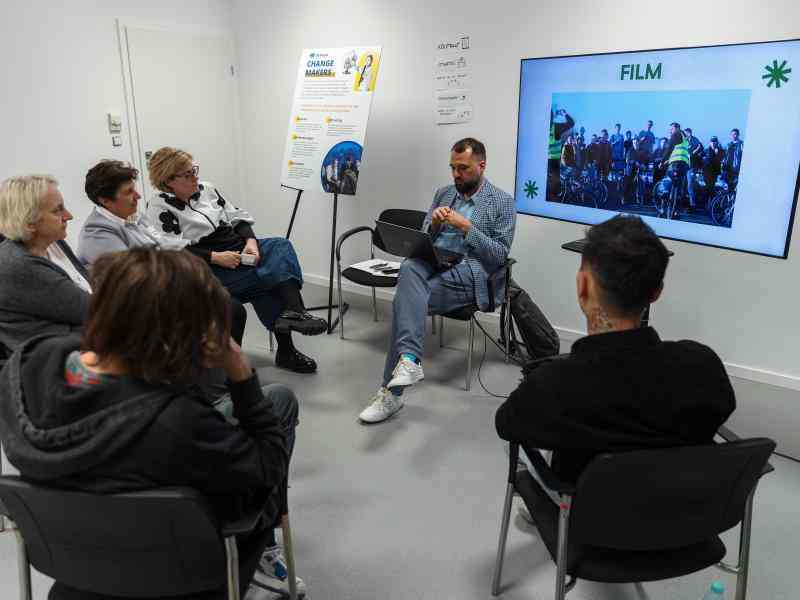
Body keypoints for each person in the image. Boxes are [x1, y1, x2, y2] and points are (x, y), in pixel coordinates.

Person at [0, 248, 306, 599]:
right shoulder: (179, 422)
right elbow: (267, 470)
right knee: (277, 404)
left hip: (78, 571)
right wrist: (241, 376)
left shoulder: (26, 372)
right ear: (176, 333)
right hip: (185, 576)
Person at [495, 215, 735, 495]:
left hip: (587, 527)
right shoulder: (703, 368)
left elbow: (507, 424)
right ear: (656, 292)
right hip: (683, 521)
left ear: (582, 286)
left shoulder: (553, 384)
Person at [359, 138, 515, 423]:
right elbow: (423, 238)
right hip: (435, 262)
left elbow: (499, 255)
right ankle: (408, 361)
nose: (456, 175)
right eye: (453, 168)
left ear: (481, 165)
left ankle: (392, 393)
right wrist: (435, 225)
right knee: (409, 268)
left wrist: (467, 228)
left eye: (464, 168)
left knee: (405, 303)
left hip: (471, 269)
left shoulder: (503, 202)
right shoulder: (443, 194)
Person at [146, 147, 326, 374]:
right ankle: (285, 350)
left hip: (237, 247)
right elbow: (168, 249)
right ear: (168, 180)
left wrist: (250, 242)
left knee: (280, 245)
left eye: (194, 170)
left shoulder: (207, 189)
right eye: (187, 174)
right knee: (265, 283)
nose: (195, 177)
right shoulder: (159, 206)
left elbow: (235, 217)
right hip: (208, 264)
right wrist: (215, 257)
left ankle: (295, 311)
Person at [78, 160, 248, 345]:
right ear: (105, 201)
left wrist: (200, 259)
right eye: (129, 192)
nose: (138, 196)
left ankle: (221, 368)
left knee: (232, 308)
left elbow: (161, 242)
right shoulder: (96, 233)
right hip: (142, 303)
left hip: (162, 287)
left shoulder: (132, 215)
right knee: (227, 311)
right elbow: (132, 277)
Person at [0, 175, 91, 350]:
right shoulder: (19, 265)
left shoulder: (55, 243)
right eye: (58, 210)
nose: (69, 216)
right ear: (29, 221)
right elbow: (94, 311)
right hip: (55, 363)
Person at [658, 122, 691, 216]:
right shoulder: (685, 137)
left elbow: (669, 149)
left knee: (666, 181)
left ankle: (662, 209)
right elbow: (678, 151)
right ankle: (676, 211)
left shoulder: (676, 134)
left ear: (676, 128)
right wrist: (667, 161)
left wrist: (662, 161)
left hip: (675, 164)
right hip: (684, 165)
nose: (670, 131)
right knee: (678, 188)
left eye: (671, 128)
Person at [547, 108, 575, 198]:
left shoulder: (555, 127)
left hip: (551, 160)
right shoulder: (556, 127)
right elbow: (571, 123)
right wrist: (564, 113)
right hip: (553, 160)